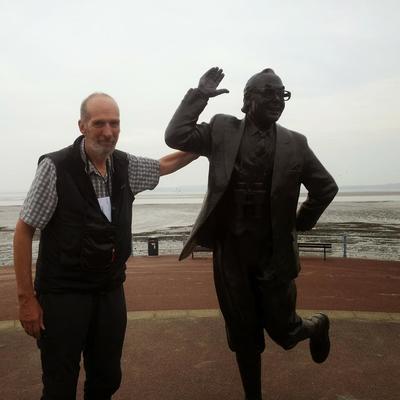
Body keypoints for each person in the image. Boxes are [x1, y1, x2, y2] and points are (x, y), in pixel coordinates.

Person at [165, 67, 338, 400]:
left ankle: (317, 326)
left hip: (273, 253)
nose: (277, 100)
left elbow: (325, 187)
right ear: (247, 101)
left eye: (281, 94)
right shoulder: (222, 129)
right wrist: (199, 96)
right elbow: (176, 136)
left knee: (285, 332)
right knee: (243, 335)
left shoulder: (295, 143)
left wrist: (298, 224)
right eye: (268, 93)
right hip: (231, 252)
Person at [13, 92, 198, 400]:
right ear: (82, 126)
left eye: (115, 123)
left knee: (107, 377)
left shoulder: (125, 166)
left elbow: (166, 164)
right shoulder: (56, 167)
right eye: (99, 123)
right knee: (60, 383)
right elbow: (24, 231)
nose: (109, 132)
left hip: (109, 291)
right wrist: (26, 300)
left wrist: (205, 144)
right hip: (63, 294)